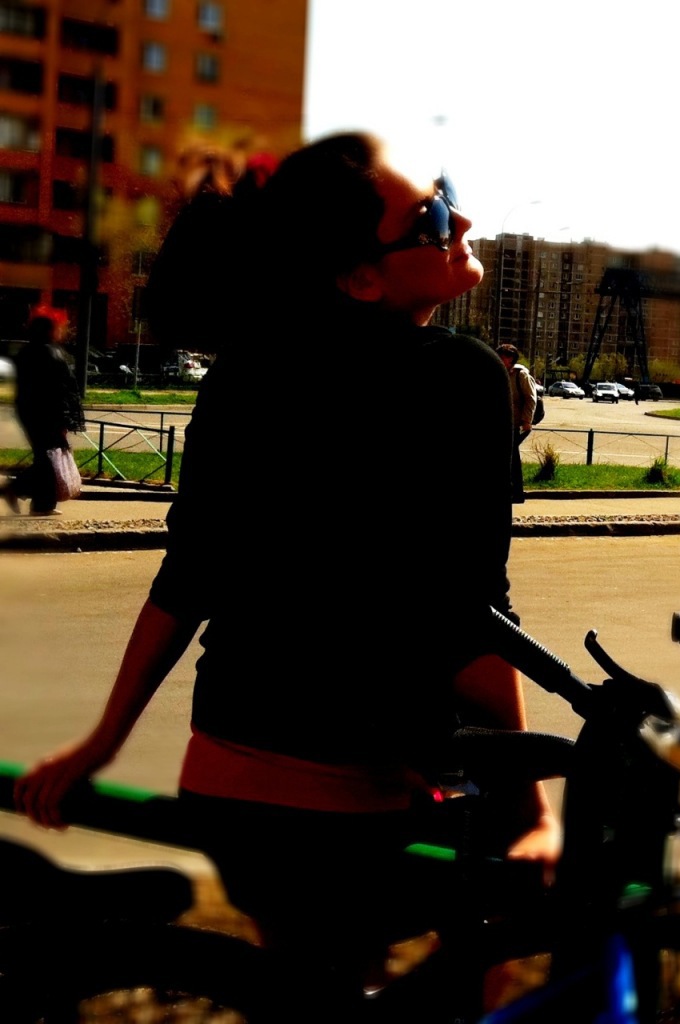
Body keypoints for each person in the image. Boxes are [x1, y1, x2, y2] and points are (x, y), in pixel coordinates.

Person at [15, 133, 559, 1008]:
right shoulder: (463, 377)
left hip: (230, 799)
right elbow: (471, 613)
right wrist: (532, 813)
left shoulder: (243, 373)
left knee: (312, 993)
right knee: (489, 963)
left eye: (446, 195)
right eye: (430, 216)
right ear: (361, 278)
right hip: (363, 818)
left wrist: (100, 744)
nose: (459, 221)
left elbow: (187, 581)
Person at [0, 310, 84, 517]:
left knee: (47, 459)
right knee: (49, 461)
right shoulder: (51, 354)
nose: (62, 331)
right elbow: (61, 390)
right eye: (59, 327)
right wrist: (65, 419)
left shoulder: (28, 351)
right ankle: (20, 491)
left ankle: (41, 503)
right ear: (50, 330)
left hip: (30, 412)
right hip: (48, 415)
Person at [497, 343, 537, 504]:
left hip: (516, 424)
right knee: (505, 457)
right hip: (502, 422)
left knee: (512, 458)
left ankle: (517, 493)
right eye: (500, 357)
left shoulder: (521, 374)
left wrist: (527, 420)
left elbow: (531, 399)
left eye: (505, 358)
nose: (502, 360)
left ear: (512, 360)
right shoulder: (498, 372)